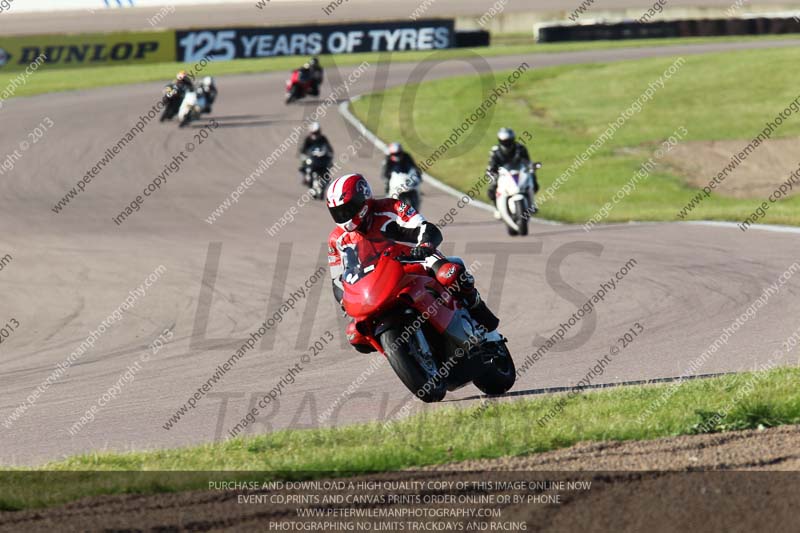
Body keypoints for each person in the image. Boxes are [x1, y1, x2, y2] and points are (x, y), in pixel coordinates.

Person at [326, 173, 499, 354]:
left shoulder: (391, 207)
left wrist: (425, 244)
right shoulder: (337, 240)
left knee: (451, 275)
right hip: (376, 283)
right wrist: (344, 301)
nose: (344, 216)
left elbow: (424, 227)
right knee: (356, 335)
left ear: (364, 198)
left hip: (414, 259)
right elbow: (338, 279)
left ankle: (488, 328)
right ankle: (409, 351)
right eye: (338, 212)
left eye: (348, 208)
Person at [486, 128, 538, 215]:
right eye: (504, 141)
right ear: (500, 141)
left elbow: (527, 161)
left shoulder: (520, 148)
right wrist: (492, 171)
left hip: (519, 171)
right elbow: (492, 164)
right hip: (503, 174)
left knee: (532, 179)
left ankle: (532, 204)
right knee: (492, 188)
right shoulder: (495, 150)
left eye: (509, 141)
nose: (507, 144)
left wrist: (531, 167)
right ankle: (498, 208)